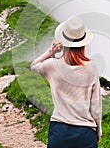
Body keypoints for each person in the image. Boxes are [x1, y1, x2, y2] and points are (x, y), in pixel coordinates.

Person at [30, 16, 102, 148]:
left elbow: (34, 65)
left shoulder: (52, 65)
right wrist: (98, 129)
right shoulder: (92, 68)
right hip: (85, 131)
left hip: (59, 130)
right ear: (83, 44)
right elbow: (96, 104)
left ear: (63, 42)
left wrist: (51, 52)